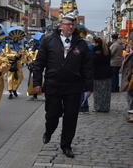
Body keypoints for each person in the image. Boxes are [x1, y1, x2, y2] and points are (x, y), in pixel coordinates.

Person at [33, 11, 93, 158]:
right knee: (52, 114)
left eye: (73, 24)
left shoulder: (81, 43)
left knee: (71, 117)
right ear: (61, 26)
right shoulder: (48, 41)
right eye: (68, 24)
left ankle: (66, 145)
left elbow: (87, 66)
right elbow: (39, 63)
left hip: (73, 86)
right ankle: (49, 131)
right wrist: (37, 81)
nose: (71, 27)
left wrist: (89, 86)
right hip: (53, 84)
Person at [91, 37, 112, 112]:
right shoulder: (107, 50)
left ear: (97, 44)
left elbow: (92, 62)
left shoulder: (98, 52)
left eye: (93, 43)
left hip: (98, 73)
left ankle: (98, 107)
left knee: (98, 92)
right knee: (106, 92)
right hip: (108, 72)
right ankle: (106, 106)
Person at [5, 27, 26, 99]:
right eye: (15, 37)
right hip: (11, 64)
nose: (16, 39)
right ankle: (10, 92)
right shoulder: (8, 46)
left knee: (20, 78)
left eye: (17, 37)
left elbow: (24, 54)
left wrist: (21, 54)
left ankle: (14, 89)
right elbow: (5, 55)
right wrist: (14, 55)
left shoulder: (20, 45)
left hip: (18, 64)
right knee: (10, 79)